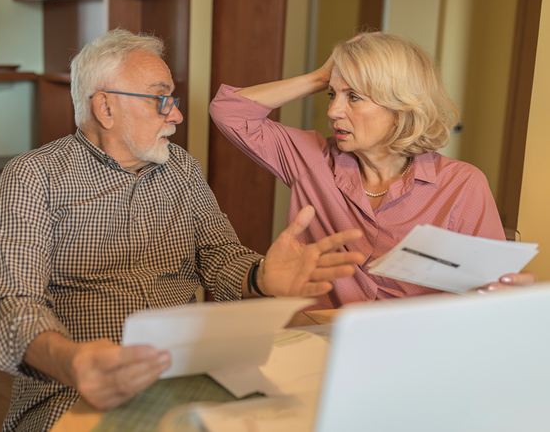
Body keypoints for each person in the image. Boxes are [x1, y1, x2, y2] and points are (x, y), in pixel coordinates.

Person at [0, 28, 365, 432]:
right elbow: (9, 303)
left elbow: (220, 256)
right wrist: (72, 362)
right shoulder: (34, 176)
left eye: (173, 100)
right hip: (79, 387)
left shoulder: (181, 167)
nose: (176, 114)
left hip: (193, 370)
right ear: (105, 108)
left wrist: (261, 275)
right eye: (161, 99)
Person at [210, 32, 537, 313]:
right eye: (332, 94)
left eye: (353, 97)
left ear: (400, 108)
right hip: (313, 340)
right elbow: (230, 112)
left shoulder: (462, 185)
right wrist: (322, 76)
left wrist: (506, 294)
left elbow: (489, 292)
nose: (333, 111)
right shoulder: (312, 158)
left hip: (411, 352)